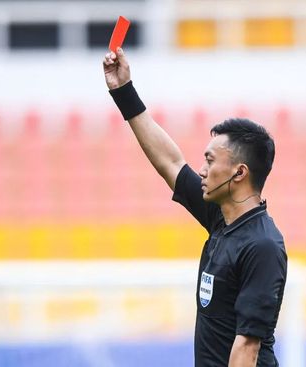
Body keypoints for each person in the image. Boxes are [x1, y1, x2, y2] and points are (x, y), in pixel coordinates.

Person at [103, 47, 287, 367]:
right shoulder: (222, 217)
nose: (201, 170)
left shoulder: (262, 245)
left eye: (210, 161)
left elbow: (247, 346)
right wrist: (123, 91)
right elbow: (171, 162)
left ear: (239, 173)